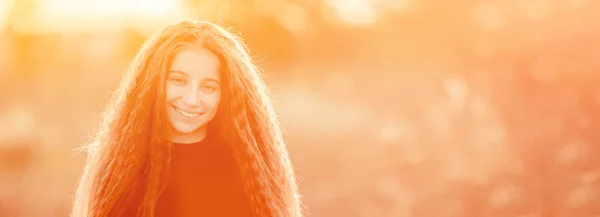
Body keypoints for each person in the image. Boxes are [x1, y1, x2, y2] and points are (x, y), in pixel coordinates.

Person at [70, 20, 303, 217]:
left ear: (227, 95)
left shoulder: (249, 171)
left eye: (209, 87)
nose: (192, 99)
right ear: (151, 84)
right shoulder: (120, 166)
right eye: (178, 80)